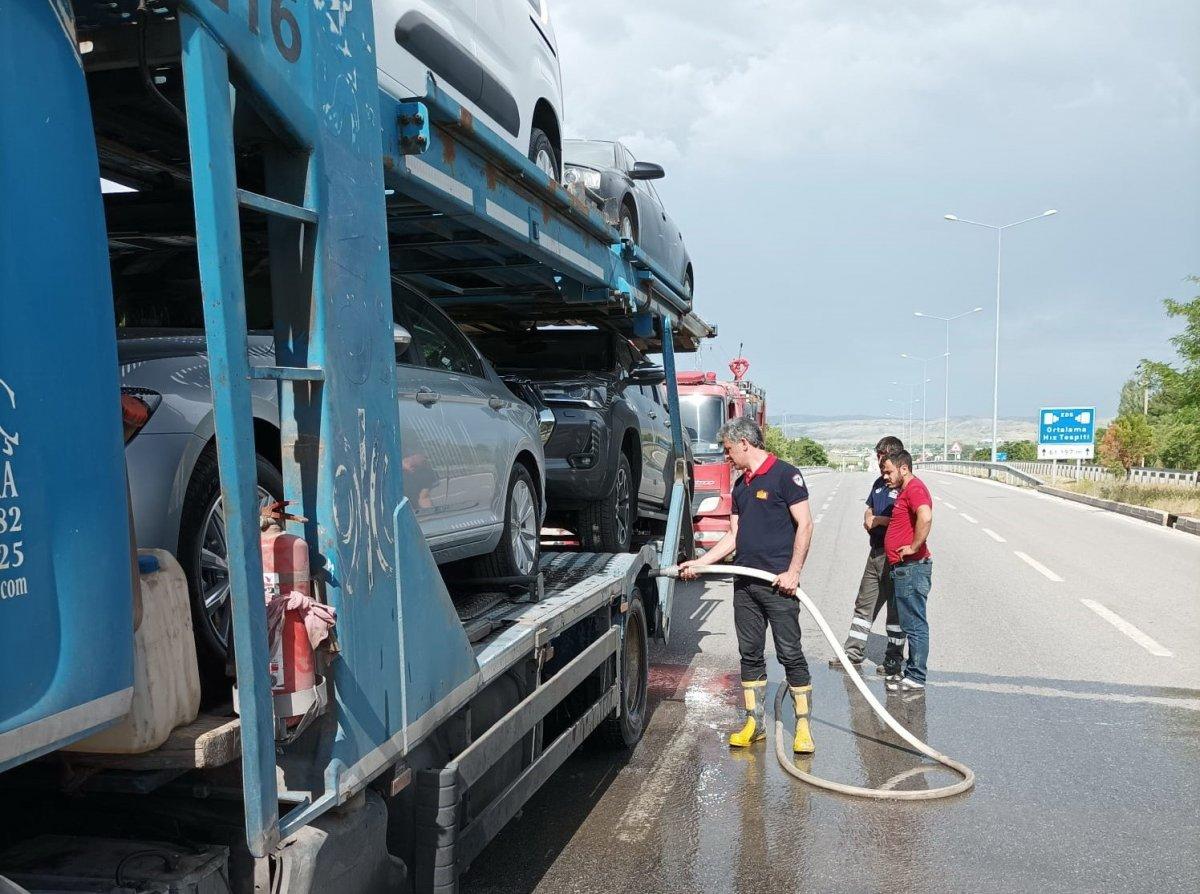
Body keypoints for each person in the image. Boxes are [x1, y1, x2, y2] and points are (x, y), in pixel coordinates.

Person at [678, 417, 816, 752]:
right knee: (749, 655)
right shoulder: (741, 487)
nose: (727, 456)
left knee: (790, 653)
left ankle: (802, 727)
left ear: (744, 443)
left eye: (728, 450)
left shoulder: (786, 475)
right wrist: (700, 563)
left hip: (779, 585)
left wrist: (793, 572)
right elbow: (734, 536)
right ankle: (754, 723)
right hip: (746, 586)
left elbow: (806, 525)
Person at [830, 436, 907, 677]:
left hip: (896, 557)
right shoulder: (879, 482)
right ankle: (852, 654)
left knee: (895, 613)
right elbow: (871, 505)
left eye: (879, 456)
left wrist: (879, 520)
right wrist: (868, 515)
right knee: (864, 605)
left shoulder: (905, 486)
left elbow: (904, 519)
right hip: (875, 554)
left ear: (889, 454)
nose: (878, 461)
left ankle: (893, 660)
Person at [880, 450, 934, 693]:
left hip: (912, 568)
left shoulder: (914, 489)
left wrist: (914, 546)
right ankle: (912, 672)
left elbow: (925, 515)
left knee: (915, 625)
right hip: (903, 568)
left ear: (904, 468)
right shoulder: (905, 490)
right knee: (911, 623)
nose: (885, 476)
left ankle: (916, 676)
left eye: (889, 471)